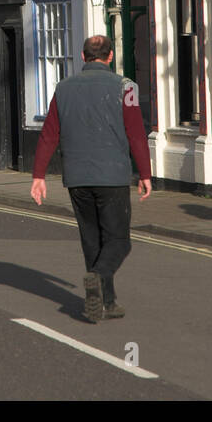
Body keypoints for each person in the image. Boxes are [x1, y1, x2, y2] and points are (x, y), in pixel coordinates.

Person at [31, 35, 151, 323]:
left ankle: (105, 302)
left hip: (77, 177)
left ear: (83, 57)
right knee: (119, 240)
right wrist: (145, 173)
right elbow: (136, 133)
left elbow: (49, 134)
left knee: (91, 240)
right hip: (112, 175)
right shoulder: (127, 87)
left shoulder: (62, 88)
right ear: (110, 57)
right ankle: (97, 278)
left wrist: (38, 175)